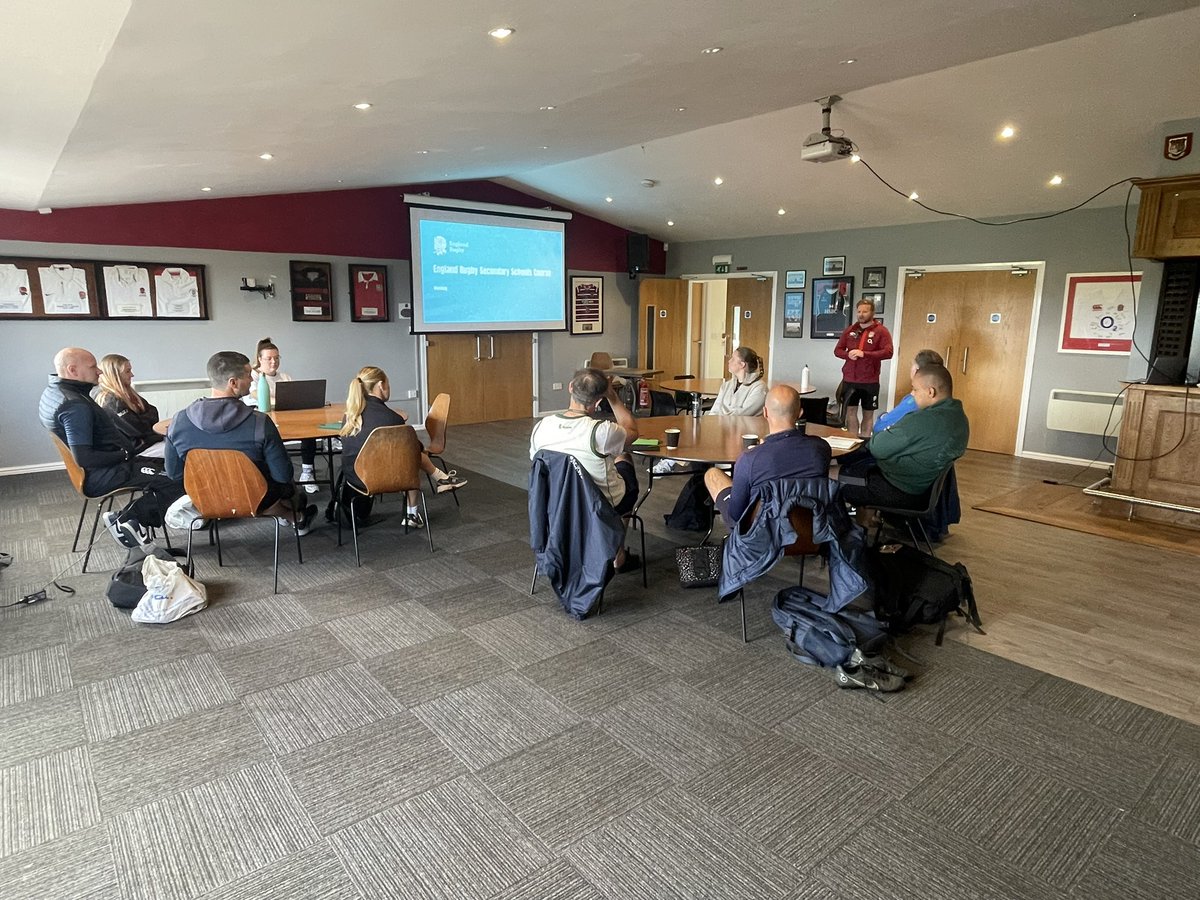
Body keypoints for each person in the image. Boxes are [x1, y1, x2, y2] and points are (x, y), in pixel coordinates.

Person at [39, 347, 185, 547]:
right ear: (73, 370)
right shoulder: (75, 406)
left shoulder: (54, 393)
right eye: (93, 367)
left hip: (110, 466)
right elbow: (84, 457)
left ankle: (128, 519)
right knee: (178, 478)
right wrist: (125, 454)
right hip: (106, 473)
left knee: (173, 467)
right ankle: (127, 520)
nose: (99, 371)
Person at [166, 351, 318, 533]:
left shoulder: (179, 421)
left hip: (205, 497)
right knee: (286, 483)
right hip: (258, 497)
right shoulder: (259, 423)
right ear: (233, 383)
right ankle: (295, 515)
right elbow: (283, 475)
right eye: (247, 375)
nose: (252, 380)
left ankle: (292, 515)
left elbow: (174, 473)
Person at [530, 368, 640, 571]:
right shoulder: (602, 431)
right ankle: (618, 553)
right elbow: (632, 430)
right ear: (598, 402)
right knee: (623, 457)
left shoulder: (541, 427)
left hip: (556, 503)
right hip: (598, 505)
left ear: (570, 387)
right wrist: (613, 397)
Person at [334, 366, 467, 528]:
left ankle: (441, 478)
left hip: (356, 478)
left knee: (406, 454)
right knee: (410, 459)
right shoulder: (392, 419)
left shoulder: (350, 416)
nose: (389, 387)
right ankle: (413, 513)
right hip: (389, 478)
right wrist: (420, 448)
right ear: (381, 385)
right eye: (388, 384)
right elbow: (414, 448)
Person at [837, 363, 968, 509]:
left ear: (931, 392)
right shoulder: (959, 418)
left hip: (899, 489)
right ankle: (865, 519)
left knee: (827, 475)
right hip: (922, 487)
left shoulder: (923, 420)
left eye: (915, 390)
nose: (913, 394)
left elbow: (877, 448)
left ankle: (837, 521)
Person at [703, 384, 831, 528]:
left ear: (765, 412)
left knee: (712, 474)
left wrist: (762, 449)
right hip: (810, 530)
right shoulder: (821, 448)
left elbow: (736, 514)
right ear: (800, 413)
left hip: (761, 533)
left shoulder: (749, 458)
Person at [653, 346, 767, 474]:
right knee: (693, 429)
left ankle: (674, 463)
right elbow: (716, 408)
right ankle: (670, 462)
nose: (729, 361)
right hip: (721, 427)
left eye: (733, 359)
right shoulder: (727, 385)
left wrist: (715, 423)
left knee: (700, 438)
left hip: (739, 433)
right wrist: (707, 424)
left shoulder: (759, 388)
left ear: (742, 364)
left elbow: (741, 414)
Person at [245, 337, 319, 493]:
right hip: (262, 421)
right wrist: (282, 400)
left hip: (286, 417)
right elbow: (256, 395)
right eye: (269, 358)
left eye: (277, 358)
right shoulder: (254, 376)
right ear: (260, 359)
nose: (274, 362)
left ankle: (307, 471)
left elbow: (294, 398)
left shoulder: (285, 377)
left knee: (310, 430)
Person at [833, 300, 894, 438]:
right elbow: (837, 350)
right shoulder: (850, 330)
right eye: (859, 311)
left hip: (870, 381)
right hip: (850, 379)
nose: (861, 314)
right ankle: (853, 441)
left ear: (872, 313)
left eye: (865, 311)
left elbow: (888, 352)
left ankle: (865, 442)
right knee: (850, 412)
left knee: (868, 414)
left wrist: (865, 354)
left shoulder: (881, 331)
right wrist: (847, 354)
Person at [93, 353, 163, 459]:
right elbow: (138, 429)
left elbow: (153, 411)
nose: (132, 375)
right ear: (115, 375)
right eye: (127, 371)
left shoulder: (127, 393)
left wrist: (141, 418)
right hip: (136, 449)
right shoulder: (111, 401)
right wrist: (144, 418)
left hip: (144, 442)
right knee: (179, 451)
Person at [872, 348, 944, 433]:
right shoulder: (939, 401)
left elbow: (879, 428)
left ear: (916, 370)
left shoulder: (914, 402)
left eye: (912, 365)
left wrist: (882, 416)